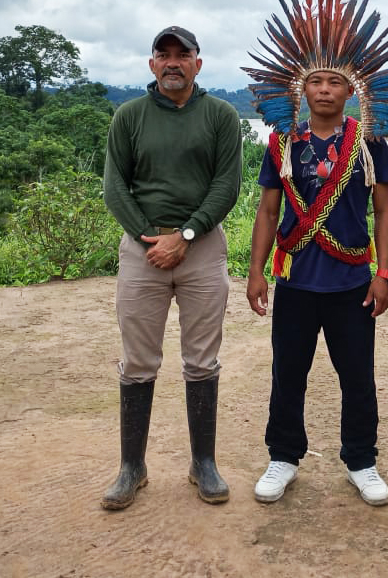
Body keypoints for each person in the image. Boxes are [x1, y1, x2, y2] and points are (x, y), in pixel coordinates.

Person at [242, 0, 388, 506]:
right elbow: (267, 212)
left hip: (351, 282)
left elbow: (384, 213)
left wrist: (384, 275)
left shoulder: (371, 143)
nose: (325, 88)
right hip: (293, 281)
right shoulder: (282, 145)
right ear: (300, 88)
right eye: (315, 79)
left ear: (352, 88)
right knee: (287, 375)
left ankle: (361, 461)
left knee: (357, 377)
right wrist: (255, 272)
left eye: (335, 80)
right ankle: (283, 457)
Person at [101, 25, 242, 510]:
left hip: (200, 248)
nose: (173, 62)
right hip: (142, 248)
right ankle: (131, 467)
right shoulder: (130, 116)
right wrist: (149, 238)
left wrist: (184, 236)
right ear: (152, 64)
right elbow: (114, 186)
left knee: (202, 359)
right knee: (138, 359)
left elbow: (227, 184)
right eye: (164, 54)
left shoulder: (221, 116)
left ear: (198, 63)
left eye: (184, 54)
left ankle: (203, 463)